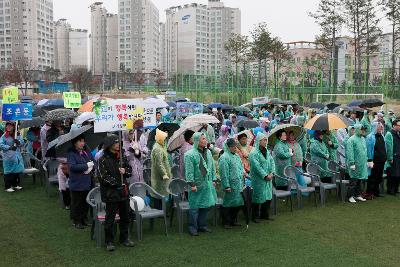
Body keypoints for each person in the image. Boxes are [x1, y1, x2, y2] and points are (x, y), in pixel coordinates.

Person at [97, 134, 135, 251]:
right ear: (109, 145)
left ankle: (124, 238)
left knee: (125, 217)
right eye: (116, 142)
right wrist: (117, 183)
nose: (118, 144)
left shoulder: (122, 157)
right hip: (111, 194)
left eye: (118, 142)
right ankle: (109, 241)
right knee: (110, 218)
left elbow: (129, 170)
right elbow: (103, 177)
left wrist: (125, 171)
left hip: (123, 193)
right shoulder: (102, 160)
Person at [184, 133, 217, 236]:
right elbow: (189, 171)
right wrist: (192, 184)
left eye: (205, 138)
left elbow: (212, 168)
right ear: (197, 140)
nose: (206, 140)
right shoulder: (189, 154)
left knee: (206, 206)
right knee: (194, 207)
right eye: (203, 138)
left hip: (207, 183)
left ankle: (202, 225)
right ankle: (193, 227)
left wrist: (213, 179)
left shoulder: (208, 153)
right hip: (196, 184)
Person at [67, 135, 95, 229]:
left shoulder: (86, 152)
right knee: (77, 203)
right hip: (77, 182)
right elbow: (72, 167)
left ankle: (84, 219)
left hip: (87, 182)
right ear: (75, 143)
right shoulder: (71, 154)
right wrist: (86, 166)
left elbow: (93, 161)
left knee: (85, 202)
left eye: (83, 141)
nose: (82, 143)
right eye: (80, 141)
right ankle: (76, 221)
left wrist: (91, 165)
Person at [249, 133, 275, 223]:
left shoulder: (267, 151)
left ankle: (265, 214)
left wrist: (271, 173)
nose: (266, 142)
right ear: (259, 141)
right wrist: (265, 175)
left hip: (268, 178)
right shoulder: (253, 153)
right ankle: (255, 216)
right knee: (257, 197)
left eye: (266, 140)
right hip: (258, 179)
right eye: (264, 140)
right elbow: (257, 167)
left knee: (267, 197)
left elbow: (272, 162)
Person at [219, 138, 244, 228]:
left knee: (237, 203)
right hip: (230, 184)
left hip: (238, 183)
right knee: (228, 204)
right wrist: (226, 186)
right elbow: (223, 173)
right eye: (233, 146)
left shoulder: (236, 156)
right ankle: (226, 222)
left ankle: (233, 220)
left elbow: (241, 166)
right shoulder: (224, 157)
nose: (235, 148)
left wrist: (243, 172)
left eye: (235, 146)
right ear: (228, 147)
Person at [346, 124, 368, 203]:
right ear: (358, 129)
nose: (363, 131)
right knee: (353, 180)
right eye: (362, 129)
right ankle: (350, 196)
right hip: (355, 164)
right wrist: (352, 163)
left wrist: (367, 160)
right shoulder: (351, 140)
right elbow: (350, 152)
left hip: (362, 164)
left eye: (364, 129)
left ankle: (357, 195)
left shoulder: (362, 139)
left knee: (359, 180)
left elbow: (365, 151)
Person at [0, 122, 24, 192]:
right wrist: (9, 147)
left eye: (10, 126)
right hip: (8, 156)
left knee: (16, 170)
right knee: (8, 171)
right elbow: (1, 145)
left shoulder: (17, 135)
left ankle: (14, 185)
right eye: (7, 126)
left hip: (16, 156)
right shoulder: (4, 136)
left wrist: (18, 142)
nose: (9, 127)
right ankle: (7, 187)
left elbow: (22, 143)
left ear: (14, 127)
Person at [366, 122, 387, 197]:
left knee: (379, 177)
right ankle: (369, 192)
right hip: (374, 160)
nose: (381, 128)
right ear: (375, 127)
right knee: (372, 177)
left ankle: (376, 192)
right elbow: (368, 149)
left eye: (381, 127)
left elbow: (384, 147)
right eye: (379, 127)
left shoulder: (382, 136)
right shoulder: (370, 137)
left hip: (382, 160)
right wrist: (369, 159)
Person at [151, 129, 172, 198]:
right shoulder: (157, 148)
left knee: (164, 193)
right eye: (164, 138)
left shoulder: (161, 146)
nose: (165, 139)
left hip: (165, 175)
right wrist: (164, 174)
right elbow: (159, 163)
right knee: (161, 195)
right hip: (161, 177)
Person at [385, 119, 400, 195]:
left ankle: (396, 188)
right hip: (393, 157)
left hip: (398, 156)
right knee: (392, 174)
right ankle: (390, 190)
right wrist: (390, 158)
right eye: (398, 125)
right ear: (394, 126)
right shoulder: (389, 134)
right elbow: (389, 147)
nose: (399, 127)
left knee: (398, 174)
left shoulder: (398, 133)